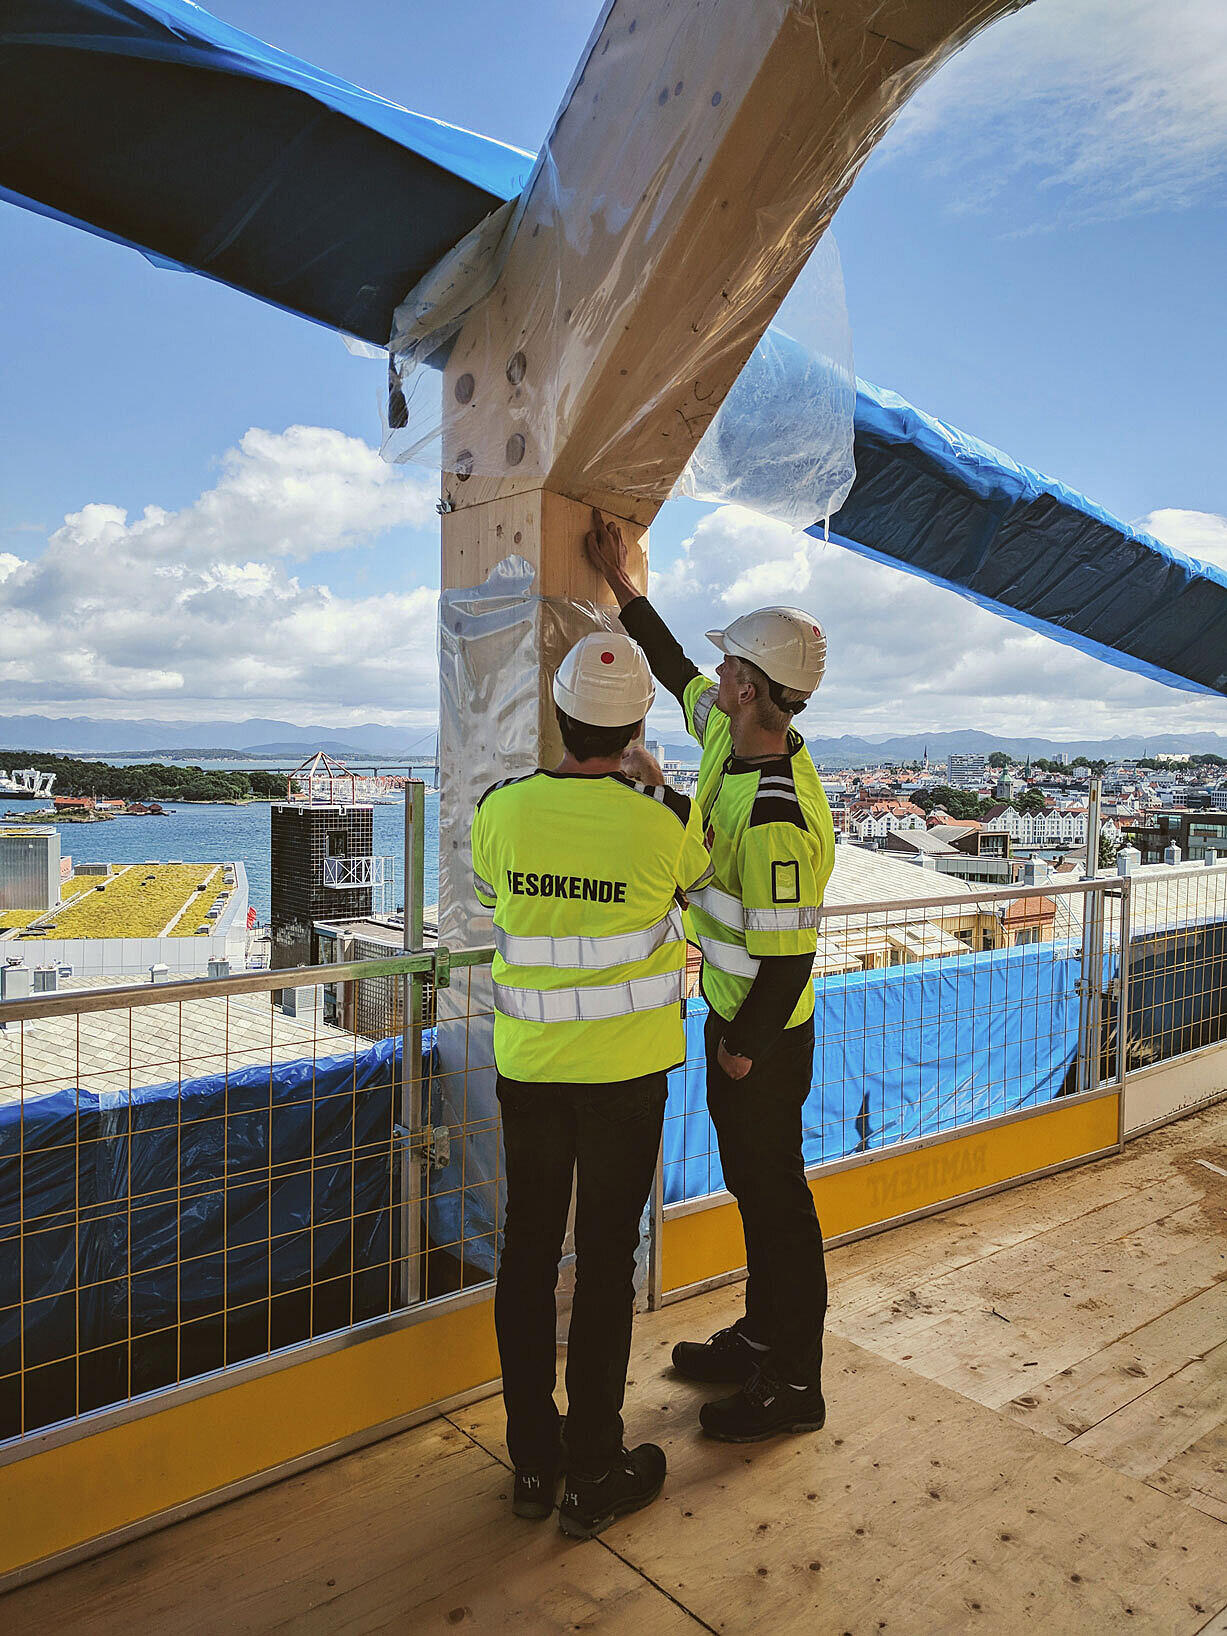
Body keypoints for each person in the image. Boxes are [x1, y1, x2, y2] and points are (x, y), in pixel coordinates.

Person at [586, 509, 835, 1443]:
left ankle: (793, 1384)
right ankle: (763, 1337)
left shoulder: (779, 811)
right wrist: (621, 586)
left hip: (760, 1037)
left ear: (762, 691)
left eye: (731, 669)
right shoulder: (737, 739)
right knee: (758, 1193)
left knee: (777, 1205)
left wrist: (738, 1050)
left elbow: (787, 953)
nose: (714, 677)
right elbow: (672, 668)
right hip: (740, 1022)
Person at [471, 630, 712, 1538]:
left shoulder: (503, 811)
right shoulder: (663, 821)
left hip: (529, 1072)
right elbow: (698, 877)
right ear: (638, 723)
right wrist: (652, 785)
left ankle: (531, 1460)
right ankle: (594, 1465)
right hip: (625, 1080)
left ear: (560, 716)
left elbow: (497, 897)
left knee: (527, 1255)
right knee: (607, 1263)